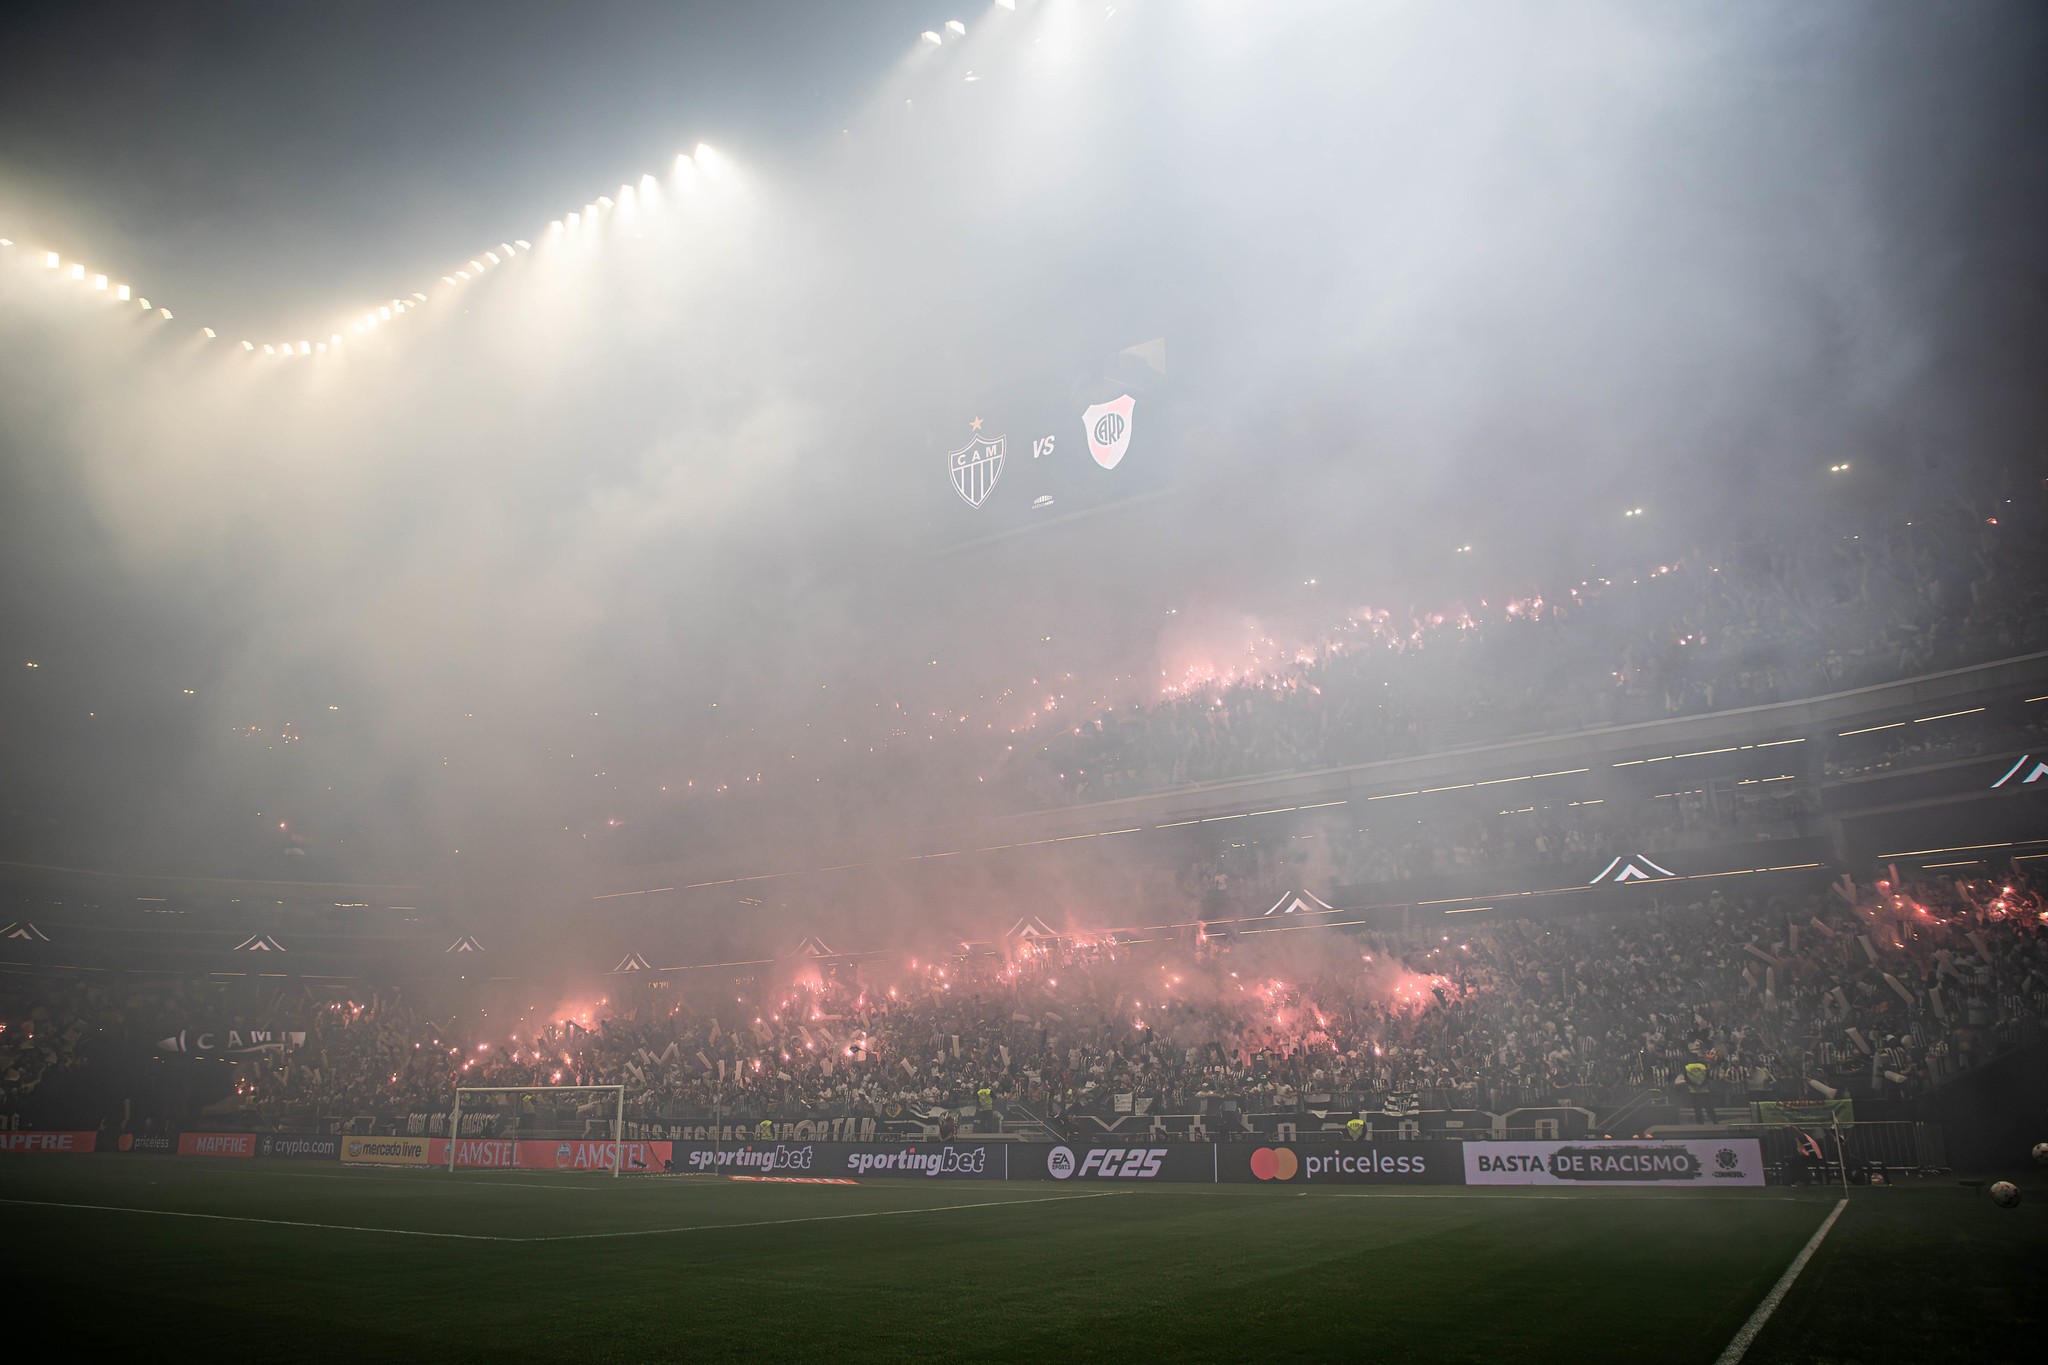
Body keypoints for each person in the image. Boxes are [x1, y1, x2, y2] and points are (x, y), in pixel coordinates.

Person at [1682, 1060, 1713, 1124]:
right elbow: (1708, 1076)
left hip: (1694, 1091)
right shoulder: (1703, 1066)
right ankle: (1715, 1121)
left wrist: (1694, 1085)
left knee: (1697, 1108)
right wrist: (1702, 1084)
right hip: (1704, 1090)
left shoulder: (1687, 1067)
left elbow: (1686, 1078)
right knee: (1708, 1107)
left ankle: (1700, 1122)